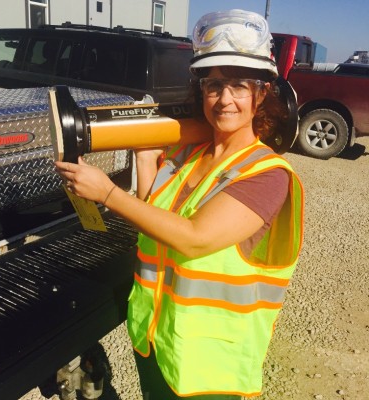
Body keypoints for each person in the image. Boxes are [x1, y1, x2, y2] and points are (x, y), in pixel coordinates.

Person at [55, 9, 304, 400]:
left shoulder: (267, 175)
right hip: (157, 340)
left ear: (261, 94)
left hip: (209, 367)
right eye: (213, 85)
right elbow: (154, 222)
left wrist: (107, 194)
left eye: (239, 86)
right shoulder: (190, 155)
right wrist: (145, 157)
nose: (224, 99)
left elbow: (194, 238)